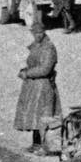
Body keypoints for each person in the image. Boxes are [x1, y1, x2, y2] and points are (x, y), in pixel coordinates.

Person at [15, 16, 60, 153]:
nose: (38, 35)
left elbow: (45, 69)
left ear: (44, 32)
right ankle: (36, 144)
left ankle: (44, 146)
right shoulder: (37, 46)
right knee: (35, 116)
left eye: (40, 33)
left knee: (44, 117)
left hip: (44, 86)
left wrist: (27, 74)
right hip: (34, 87)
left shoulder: (49, 48)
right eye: (35, 33)